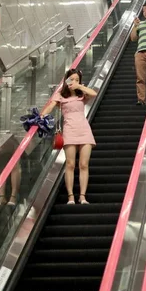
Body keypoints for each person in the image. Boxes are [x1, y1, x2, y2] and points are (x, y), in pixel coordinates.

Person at [42, 68, 97, 204]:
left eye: (77, 79)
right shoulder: (60, 95)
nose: (74, 82)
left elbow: (94, 93)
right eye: (71, 79)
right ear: (66, 80)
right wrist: (41, 116)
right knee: (70, 164)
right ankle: (71, 196)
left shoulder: (82, 94)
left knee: (84, 164)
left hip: (84, 130)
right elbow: (50, 106)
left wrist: (79, 86)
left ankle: (82, 196)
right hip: (69, 130)